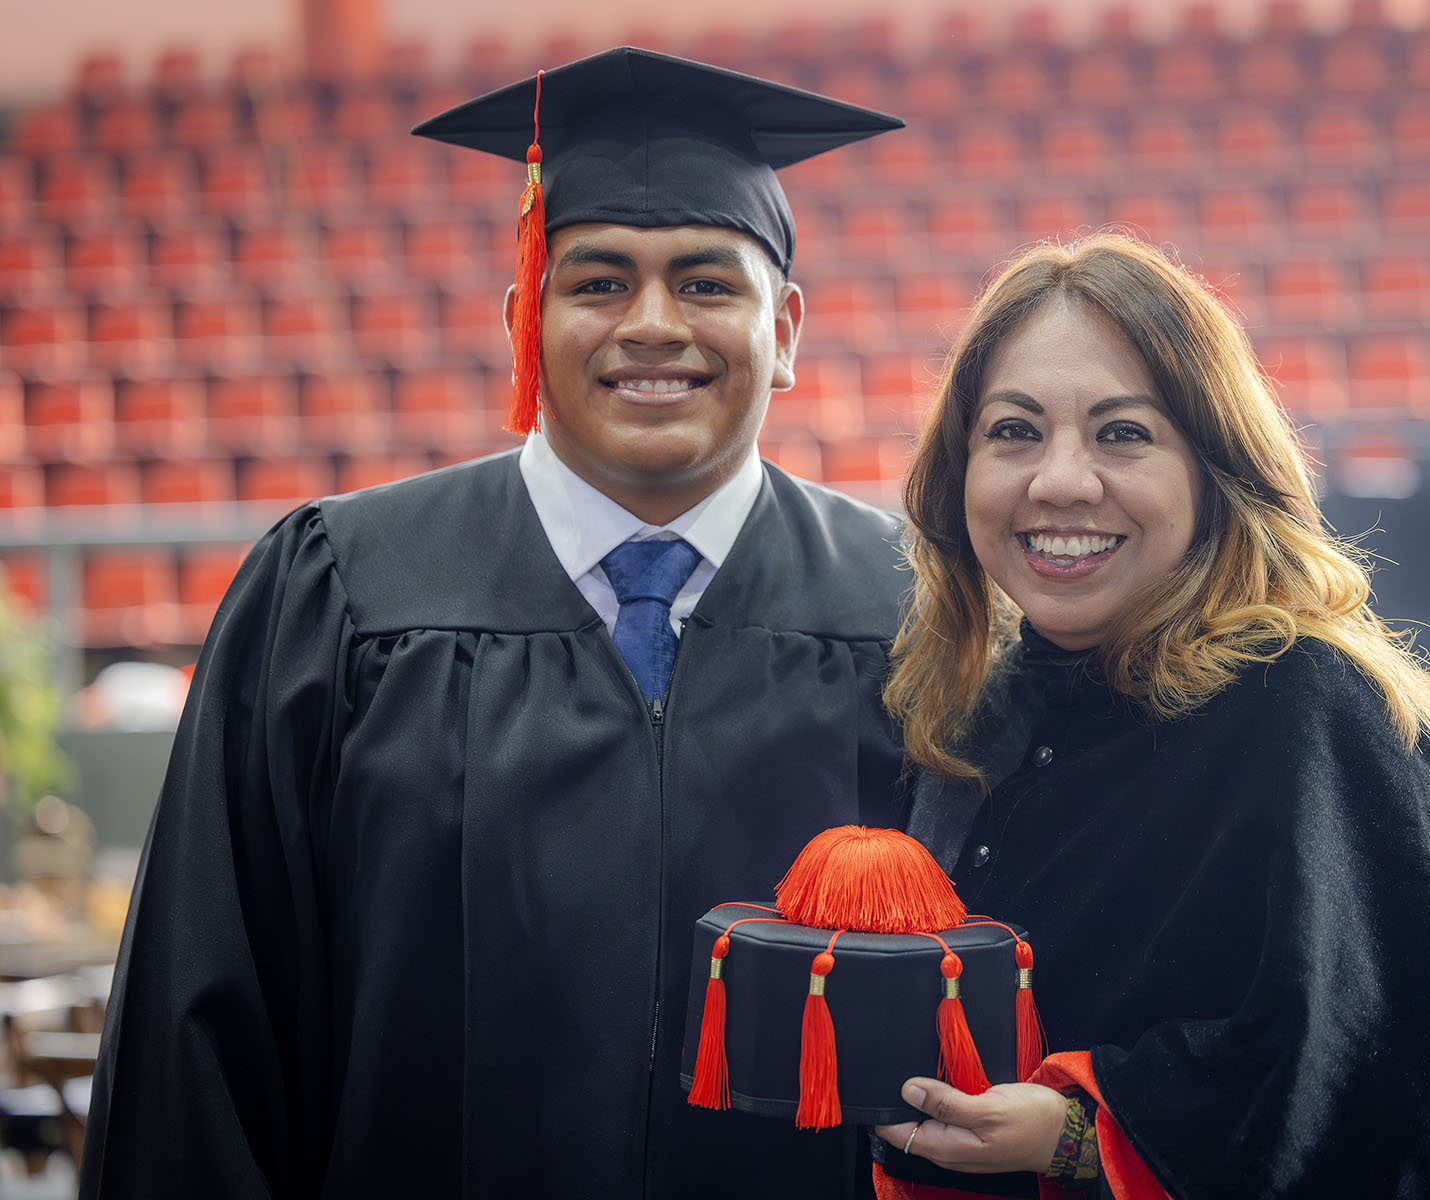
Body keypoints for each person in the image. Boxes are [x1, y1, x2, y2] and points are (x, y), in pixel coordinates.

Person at [82, 49, 910, 1198]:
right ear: (526, 319)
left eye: (708, 285)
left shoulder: (906, 609)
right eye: (599, 283)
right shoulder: (342, 591)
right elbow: (203, 1014)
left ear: (789, 329)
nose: (653, 325)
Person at [871, 234, 1430, 1199]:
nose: (1060, 480)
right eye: (1014, 431)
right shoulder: (971, 718)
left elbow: (1398, 1098)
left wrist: (1081, 1135)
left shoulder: (1308, 708)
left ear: (1215, 469)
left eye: (1124, 434)